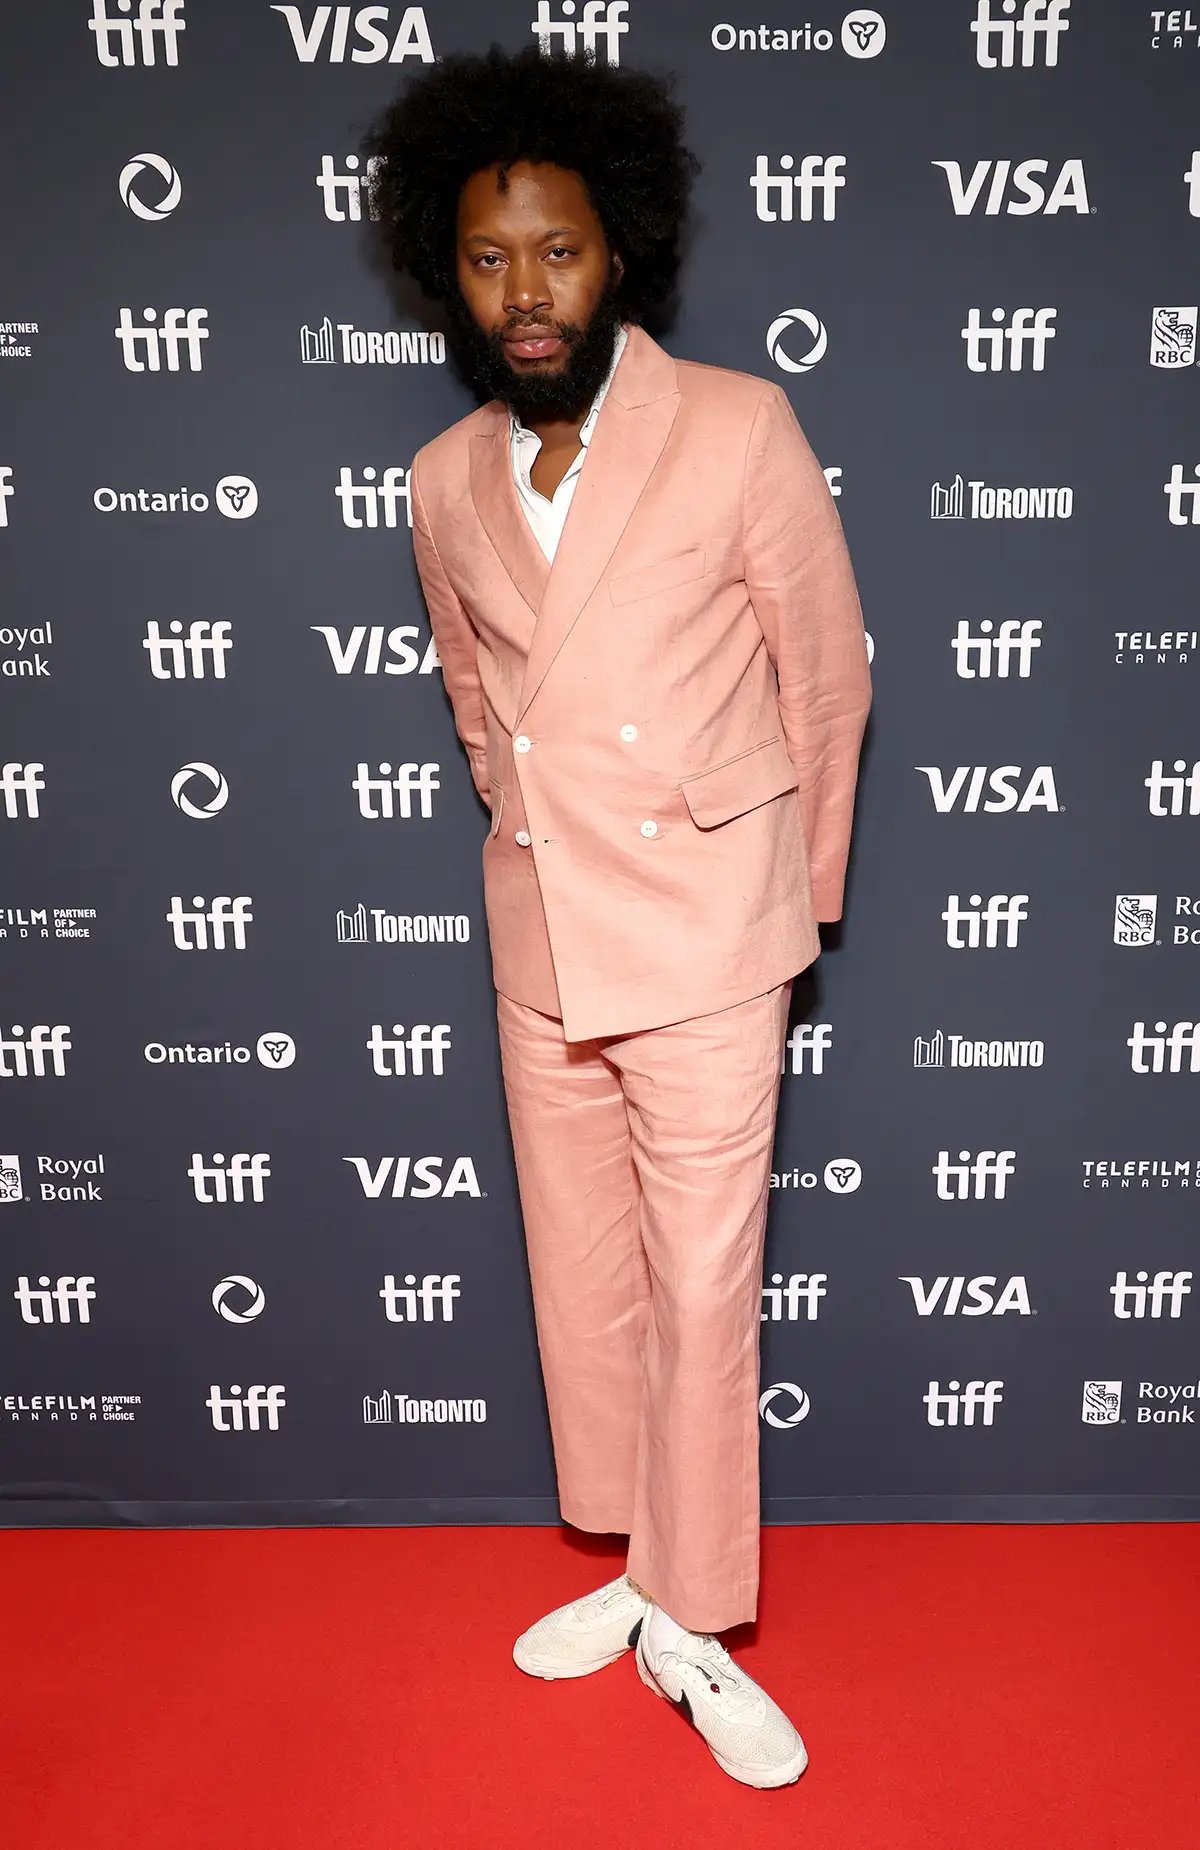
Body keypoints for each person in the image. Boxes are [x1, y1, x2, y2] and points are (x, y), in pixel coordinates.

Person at [361, 41, 872, 1790]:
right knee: (583, 1284)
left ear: (620, 250)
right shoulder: (440, 479)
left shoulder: (737, 423)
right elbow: (472, 690)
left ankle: (698, 1615)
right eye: (492, 256)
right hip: (545, 933)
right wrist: (525, 818)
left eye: (557, 249)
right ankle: (632, 1558)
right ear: (449, 267)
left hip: (713, 934)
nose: (526, 289)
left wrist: (784, 907)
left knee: (702, 1285)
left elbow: (825, 678)